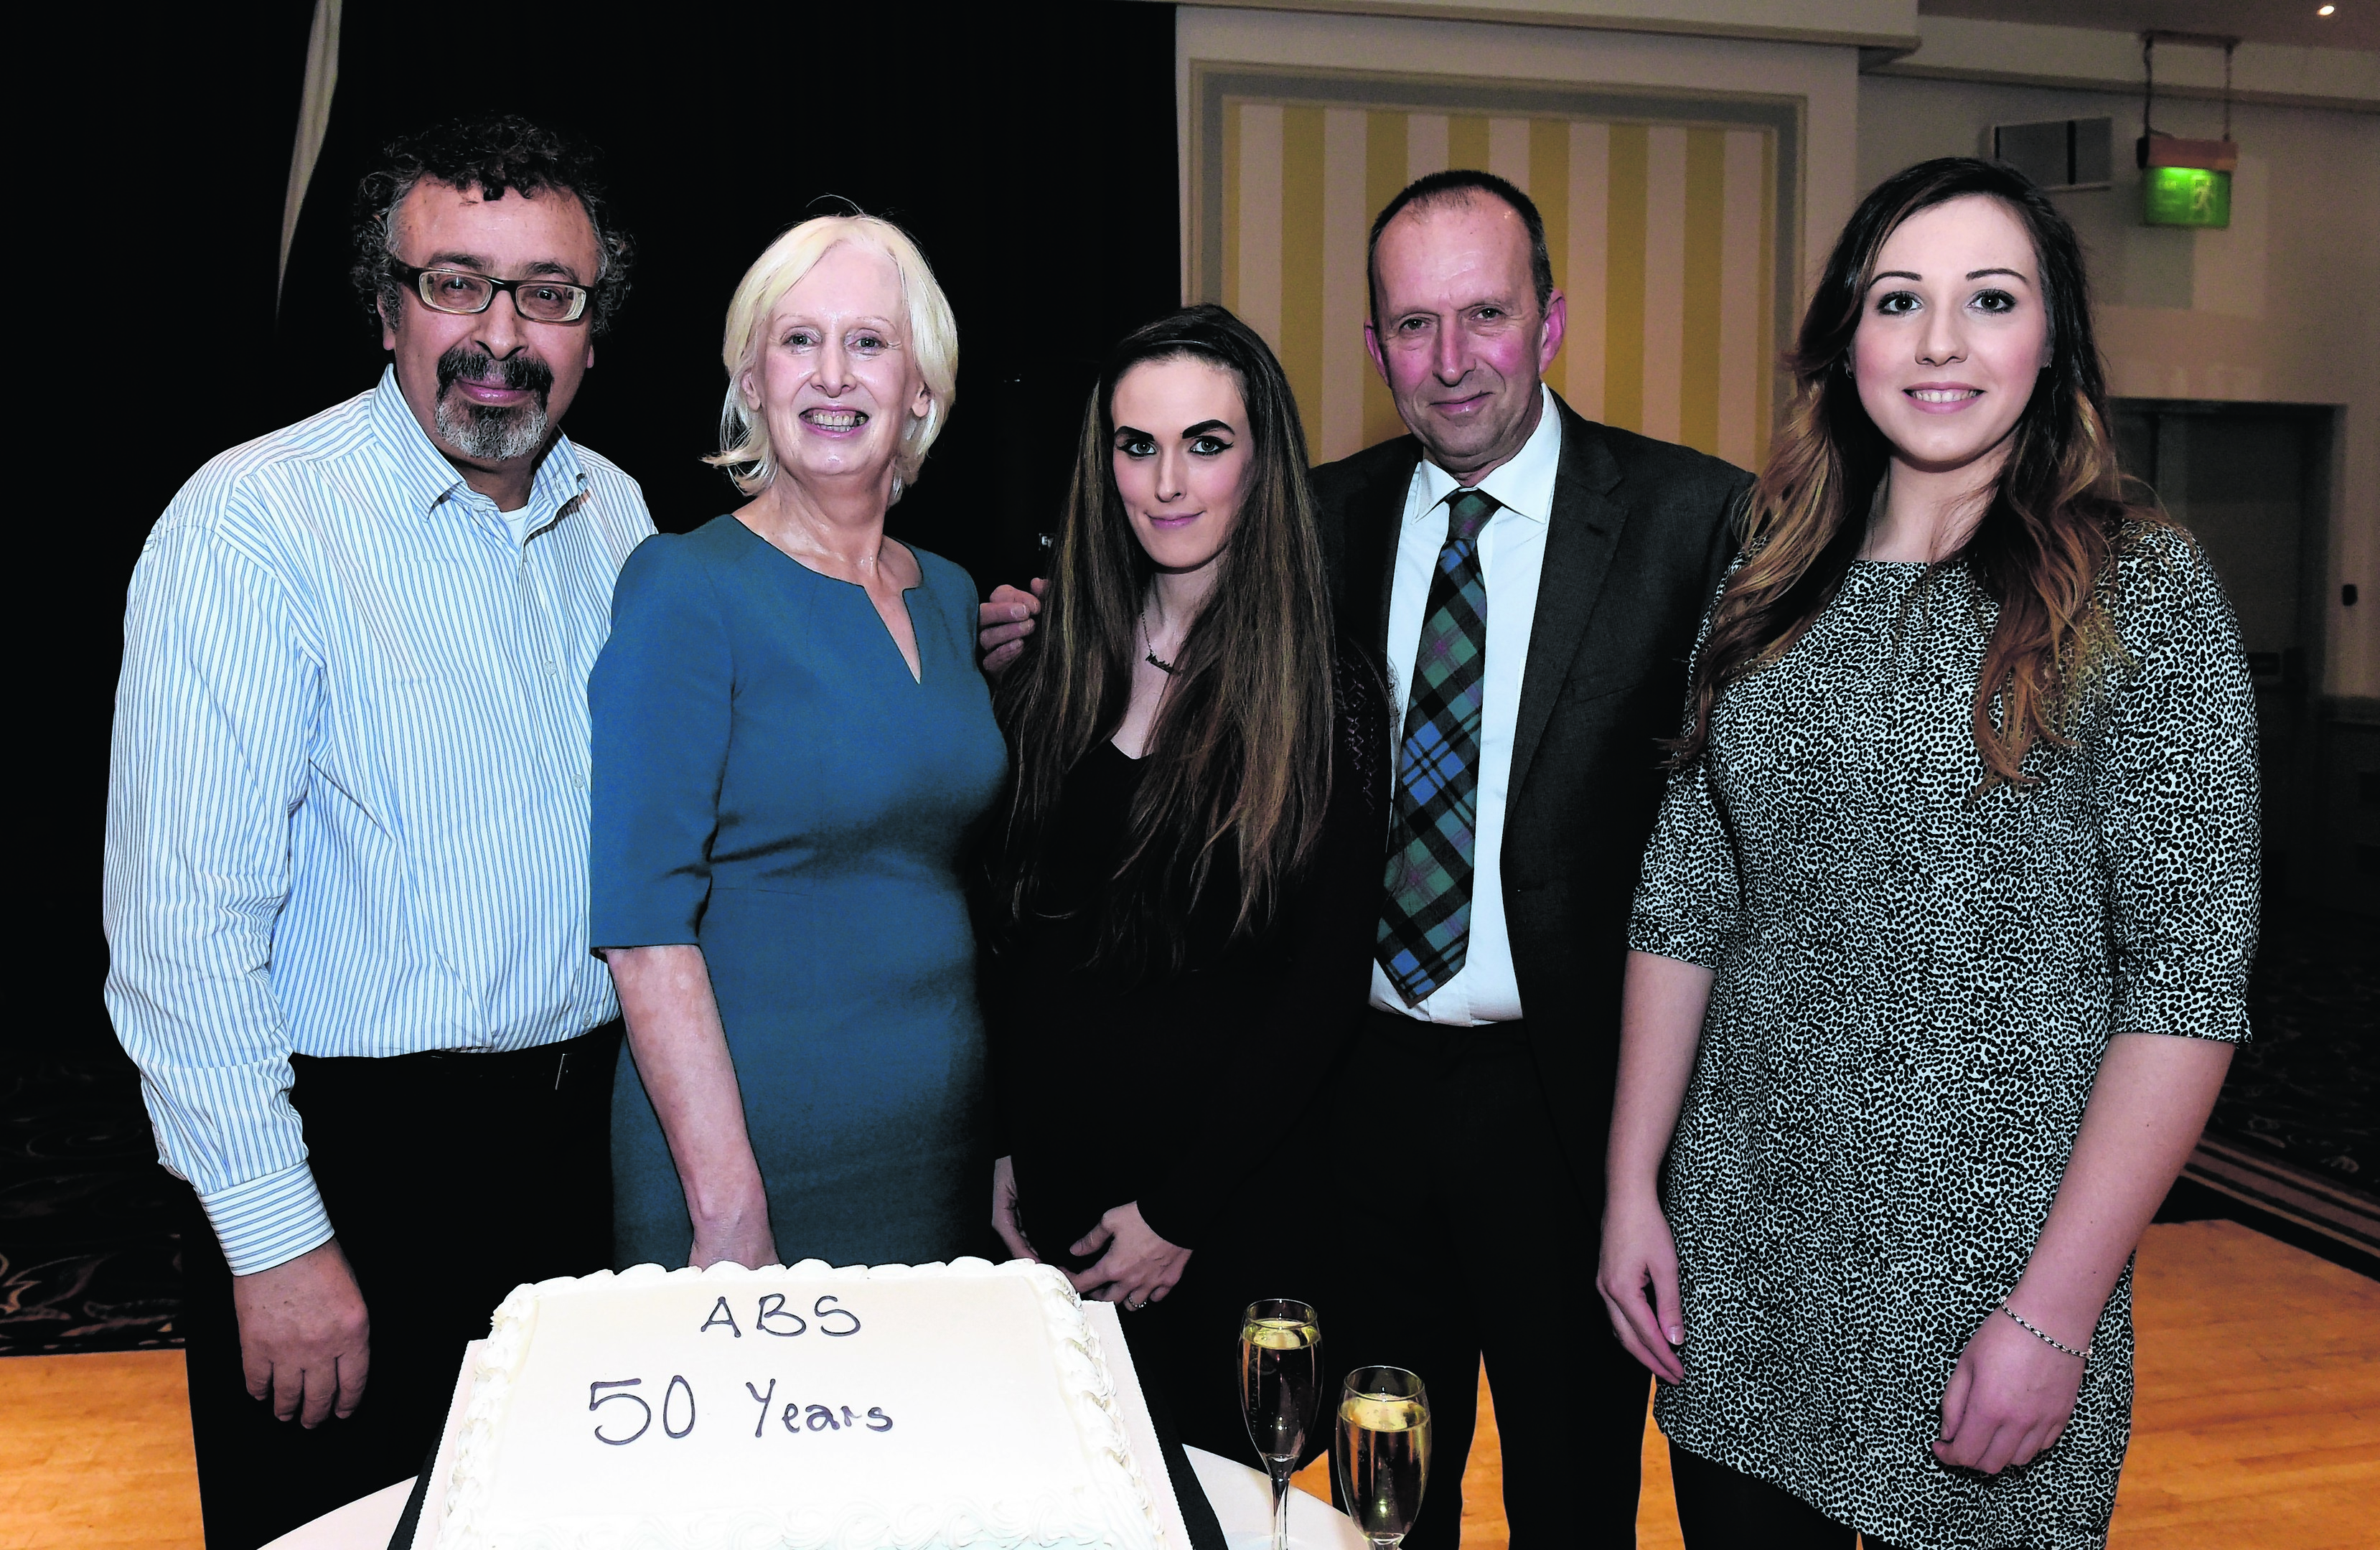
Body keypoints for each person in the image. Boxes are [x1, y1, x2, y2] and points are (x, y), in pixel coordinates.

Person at [983, 169, 1753, 1545]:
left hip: (1564, 1111)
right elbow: (1164, 614)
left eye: (1484, 316)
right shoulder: (1317, 519)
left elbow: (1746, 832)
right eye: (1412, 326)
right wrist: (1042, 631)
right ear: (1372, 346)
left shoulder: (1692, 523)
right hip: (1352, 1104)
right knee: (1375, 1493)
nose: (1449, 362)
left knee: (1574, 1495)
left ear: (1552, 321)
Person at [1597, 157, 2257, 1550]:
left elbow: (2186, 987)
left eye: (1989, 299)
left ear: (2050, 342)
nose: (1941, 341)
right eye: (1899, 300)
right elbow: (1684, 892)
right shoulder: (1769, 574)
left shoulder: (2141, 591)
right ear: (1846, 341)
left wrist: (2052, 1315)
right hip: (1741, 1262)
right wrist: (1628, 1188)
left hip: (1986, 1290)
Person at [103, 116, 649, 1548]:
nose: (498, 334)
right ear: (386, 303)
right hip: (355, 1172)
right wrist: (275, 1241)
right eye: (454, 282)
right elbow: (178, 940)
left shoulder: (620, 521)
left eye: (546, 292)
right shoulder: (251, 527)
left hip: (583, 1160)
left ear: (593, 327)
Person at [979, 305, 1389, 1458]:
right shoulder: (1054, 666)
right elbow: (1021, 938)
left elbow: (1318, 991)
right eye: (1135, 443)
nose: (1166, 481)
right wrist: (1005, 1143)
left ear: (1261, 465)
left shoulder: (1325, 693)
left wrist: (1179, 1215)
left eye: (1205, 443)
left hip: (1220, 1222)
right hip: (1054, 1211)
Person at [589, 214, 1004, 1272]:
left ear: (922, 384)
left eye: (869, 341)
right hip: (747, 1165)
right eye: (798, 340)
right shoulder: (684, 587)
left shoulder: (949, 593)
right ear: (750, 378)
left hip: (938, 1150)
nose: (832, 375)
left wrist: (999, 1146)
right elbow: (642, 928)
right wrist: (727, 1207)